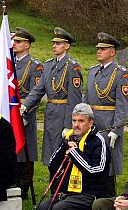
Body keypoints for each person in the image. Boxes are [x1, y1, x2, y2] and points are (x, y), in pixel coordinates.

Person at [35, 103, 110, 210]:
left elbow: (96, 170)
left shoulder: (98, 141)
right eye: (74, 120)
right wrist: (64, 147)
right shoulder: (68, 138)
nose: (76, 125)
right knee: (43, 208)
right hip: (67, 191)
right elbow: (52, 164)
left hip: (91, 192)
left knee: (60, 209)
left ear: (90, 122)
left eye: (81, 121)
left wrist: (75, 154)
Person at [21, 27, 83, 166]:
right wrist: (26, 104)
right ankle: (53, 184)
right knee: (49, 150)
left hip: (63, 112)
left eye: (58, 43)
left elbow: (75, 100)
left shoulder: (73, 67)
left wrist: (69, 125)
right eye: (54, 43)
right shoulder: (49, 65)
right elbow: (38, 89)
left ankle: (60, 185)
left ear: (67, 46)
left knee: (62, 150)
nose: (54, 46)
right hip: (50, 111)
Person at [84, 32, 128, 197]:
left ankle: (107, 199)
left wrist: (116, 129)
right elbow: (86, 98)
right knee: (90, 161)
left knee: (107, 167)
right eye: (98, 48)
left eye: (103, 49)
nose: (99, 51)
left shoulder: (120, 74)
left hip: (108, 125)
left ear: (112, 52)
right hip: (92, 124)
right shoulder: (92, 71)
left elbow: (122, 105)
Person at [12, 27, 43, 200]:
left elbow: (35, 93)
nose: (15, 44)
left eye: (18, 42)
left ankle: (24, 183)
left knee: (25, 149)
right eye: (14, 41)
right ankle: (11, 180)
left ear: (27, 45)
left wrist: (26, 114)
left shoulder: (34, 66)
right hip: (10, 112)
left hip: (24, 113)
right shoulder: (10, 63)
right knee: (11, 147)